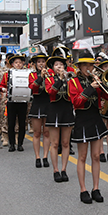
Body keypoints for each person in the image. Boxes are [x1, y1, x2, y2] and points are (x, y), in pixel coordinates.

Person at [68, 50, 108, 204]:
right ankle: (83, 190)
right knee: (82, 157)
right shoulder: (73, 82)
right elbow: (76, 102)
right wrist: (90, 88)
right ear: (80, 66)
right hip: (82, 119)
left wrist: (104, 85)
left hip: (95, 118)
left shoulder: (97, 80)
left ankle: (96, 188)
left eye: (92, 65)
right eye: (87, 65)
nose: (90, 68)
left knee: (96, 156)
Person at [45, 52, 74, 182]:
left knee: (66, 143)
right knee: (55, 143)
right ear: (53, 67)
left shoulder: (70, 77)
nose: (59, 67)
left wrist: (68, 79)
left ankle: (64, 169)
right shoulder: (49, 78)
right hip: (54, 110)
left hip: (67, 110)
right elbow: (51, 91)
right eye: (56, 65)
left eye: (61, 64)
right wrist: (61, 80)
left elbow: (73, 92)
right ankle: (55, 170)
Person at [0, 54, 28, 151]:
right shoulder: (7, 74)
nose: (18, 64)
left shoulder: (27, 74)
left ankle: (20, 144)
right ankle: (12, 144)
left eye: (20, 62)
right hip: (11, 101)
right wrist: (4, 90)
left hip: (23, 101)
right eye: (16, 63)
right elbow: (1, 86)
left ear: (23, 63)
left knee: (22, 123)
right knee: (11, 123)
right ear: (12, 64)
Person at [28, 52, 50, 168]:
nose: (41, 64)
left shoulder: (50, 74)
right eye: (39, 62)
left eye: (43, 61)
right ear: (35, 64)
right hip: (37, 103)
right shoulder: (32, 75)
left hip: (48, 104)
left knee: (47, 133)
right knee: (37, 133)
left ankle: (45, 156)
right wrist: (41, 76)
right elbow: (33, 88)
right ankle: (37, 157)